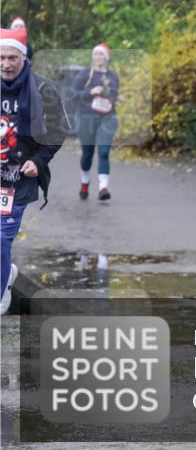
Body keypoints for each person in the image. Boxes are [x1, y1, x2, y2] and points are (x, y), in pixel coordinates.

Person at [1, 28, 69, 314]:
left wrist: (38, 161)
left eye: (12, 58)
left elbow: (58, 131)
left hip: (18, 178)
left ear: (23, 58)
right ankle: (6, 273)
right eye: (1, 58)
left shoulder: (42, 90)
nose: (6, 64)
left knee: (2, 237)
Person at [71, 43, 119, 201]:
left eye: (101, 54)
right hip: (86, 117)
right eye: (96, 54)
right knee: (88, 153)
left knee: (104, 152)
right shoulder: (85, 73)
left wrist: (116, 98)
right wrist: (90, 92)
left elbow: (113, 95)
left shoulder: (113, 76)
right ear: (92, 57)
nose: (98, 57)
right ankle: (85, 183)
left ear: (106, 58)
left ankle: (103, 188)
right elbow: (73, 94)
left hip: (107, 117)